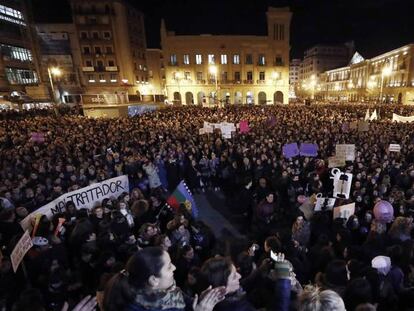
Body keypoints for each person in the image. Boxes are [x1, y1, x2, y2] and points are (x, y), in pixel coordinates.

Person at [103, 247, 225, 311]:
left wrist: (198, 302)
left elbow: (183, 300)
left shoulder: (167, 288)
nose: (174, 267)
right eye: (168, 267)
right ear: (153, 280)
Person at [199, 255, 291, 311]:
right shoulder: (235, 309)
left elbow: (244, 285)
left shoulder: (226, 297)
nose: (239, 276)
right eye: (234, 276)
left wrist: (261, 269)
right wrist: (284, 279)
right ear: (221, 289)